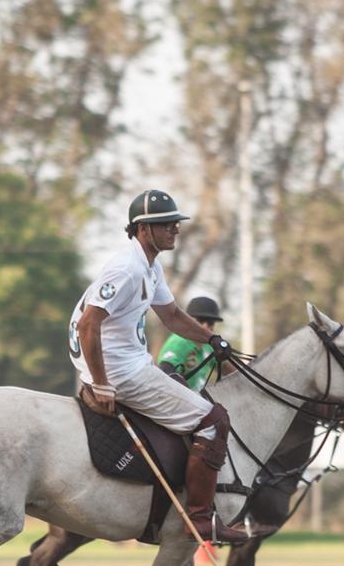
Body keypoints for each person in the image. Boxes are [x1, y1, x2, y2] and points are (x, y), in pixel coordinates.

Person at [68, 189, 233, 538]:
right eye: (166, 224)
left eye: (175, 222)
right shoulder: (127, 268)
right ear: (143, 230)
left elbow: (172, 316)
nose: (175, 228)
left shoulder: (149, 266)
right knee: (213, 420)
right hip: (120, 372)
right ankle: (201, 519)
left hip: (128, 362)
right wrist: (100, 383)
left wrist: (213, 340)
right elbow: (88, 324)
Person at [157, 296, 224, 391]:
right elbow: (164, 372)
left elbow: (230, 369)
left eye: (210, 322)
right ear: (187, 320)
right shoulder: (178, 343)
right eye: (200, 320)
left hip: (200, 399)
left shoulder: (209, 346)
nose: (205, 326)